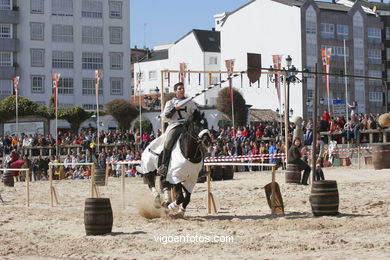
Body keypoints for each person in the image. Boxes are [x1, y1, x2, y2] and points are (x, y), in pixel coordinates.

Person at [157, 82, 198, 176]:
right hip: (175, 126)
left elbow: (196, 113)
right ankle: (164, 165)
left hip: (187, 126)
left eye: (183, 88)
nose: (182, 90)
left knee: (199, 139)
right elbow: (165, 117)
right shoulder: (170, 103)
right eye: (179, 89)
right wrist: (174, 109)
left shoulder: (190, 102)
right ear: (175, 91)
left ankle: (200, 166)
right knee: (169, 140)